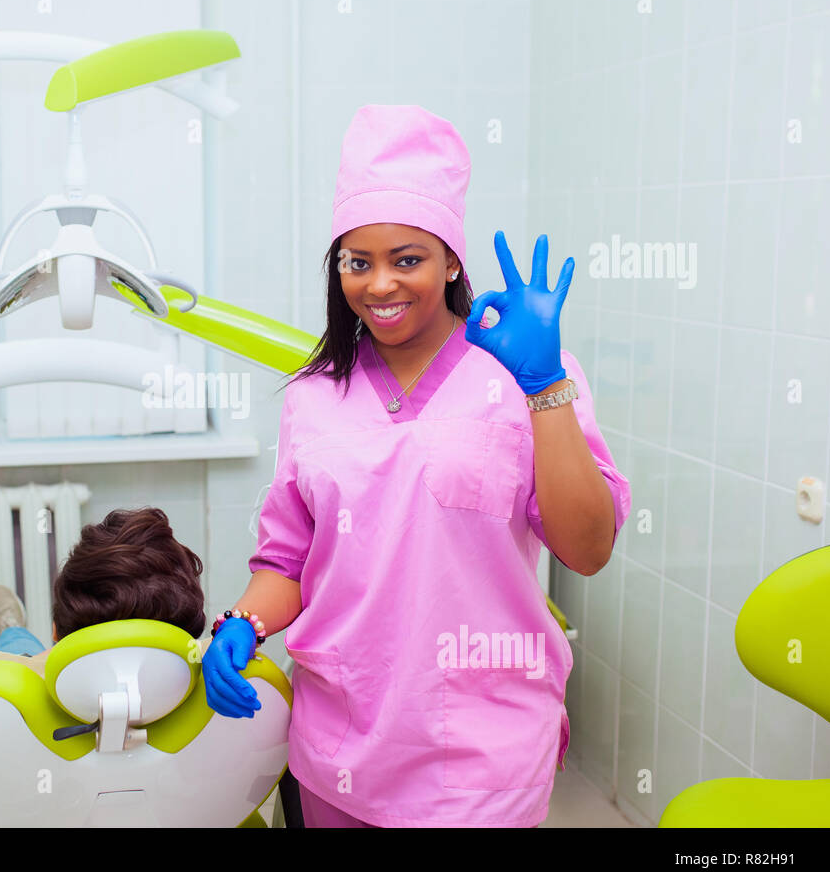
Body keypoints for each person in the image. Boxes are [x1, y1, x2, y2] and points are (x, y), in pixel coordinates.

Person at [202, 104, 632, 828]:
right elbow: (286, 560)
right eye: (357, 262)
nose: (380, 285)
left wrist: (544, 387)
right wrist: (240, 625)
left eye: (407, 259)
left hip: (478, 753)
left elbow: (587, 549)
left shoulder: (527, 377)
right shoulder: (314, 397)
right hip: (338, 743)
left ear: (452, 260)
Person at [0, 506, 207, 748]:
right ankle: (12, 631)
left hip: (34, 669)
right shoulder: (227, 678)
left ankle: (11, 632)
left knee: (17, 654)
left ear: (56, 632)